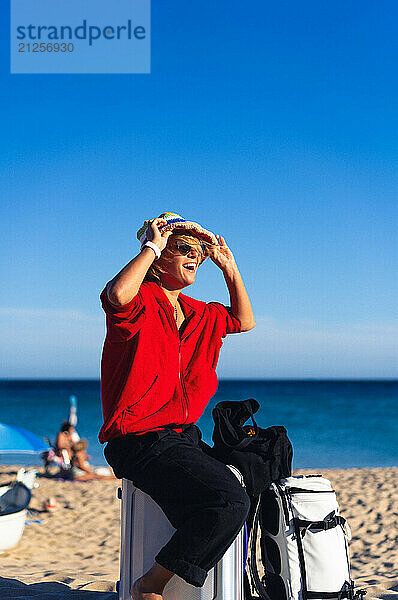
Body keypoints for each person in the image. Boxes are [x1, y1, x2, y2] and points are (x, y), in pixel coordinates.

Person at [100, 212, 255, 600]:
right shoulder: (139, 302)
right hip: (138, 439)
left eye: (200, 253)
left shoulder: (202, 312)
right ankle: (150, 586)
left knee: (249, 477)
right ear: (160, 254)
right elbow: (116, 296)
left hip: (180, 436)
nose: (196, 257)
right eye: (184, 248)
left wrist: (229, 269)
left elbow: (244, 320)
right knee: (229, 501)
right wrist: (150, 247)